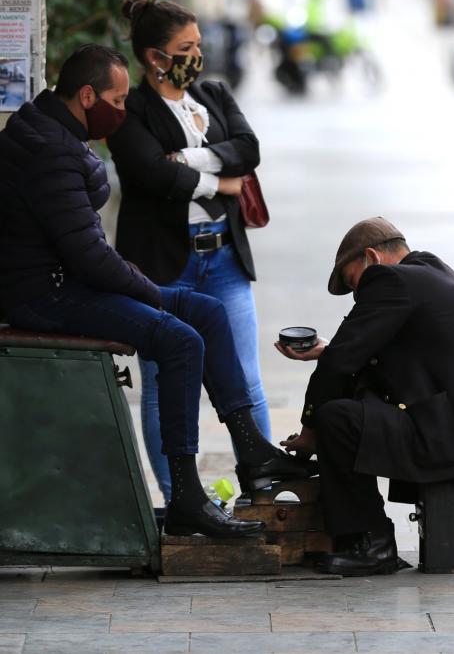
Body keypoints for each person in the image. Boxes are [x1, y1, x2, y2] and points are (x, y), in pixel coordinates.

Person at [0, 45, 311, 537]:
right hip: (48, 295)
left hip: (68, 280)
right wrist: (146, 289)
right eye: (117, 101)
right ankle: (187, 496)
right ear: (86, 95)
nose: (121, 112)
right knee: (179, 339)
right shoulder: (50, 149)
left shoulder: (49, 125)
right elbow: (86, 255)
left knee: (206, 313)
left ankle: (252, 455)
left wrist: (139, 285)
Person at [275, 217, 454, 577]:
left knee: (337, 419)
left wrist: (311, 428)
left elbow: (341, 363)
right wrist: (333, 351)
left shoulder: (390, 280)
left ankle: (375, 544)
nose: (359, 295)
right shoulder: (429, 272)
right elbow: (367, 355)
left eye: (353, 281)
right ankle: (360, 539)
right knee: (358, 402)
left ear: (372, 259)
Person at [106, 0, 270, 504]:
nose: (197, 55)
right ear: (156, 57)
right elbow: (148, 174)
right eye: (186, 46)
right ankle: (183, 500)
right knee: (164, 389)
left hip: (223, 258)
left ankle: (262, 487)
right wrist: (218, 183)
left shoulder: (215, 95)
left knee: (247, 379)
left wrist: (186, 160)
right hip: (161, 266)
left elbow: (248, 150)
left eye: (198, 44)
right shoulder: (130, 108)